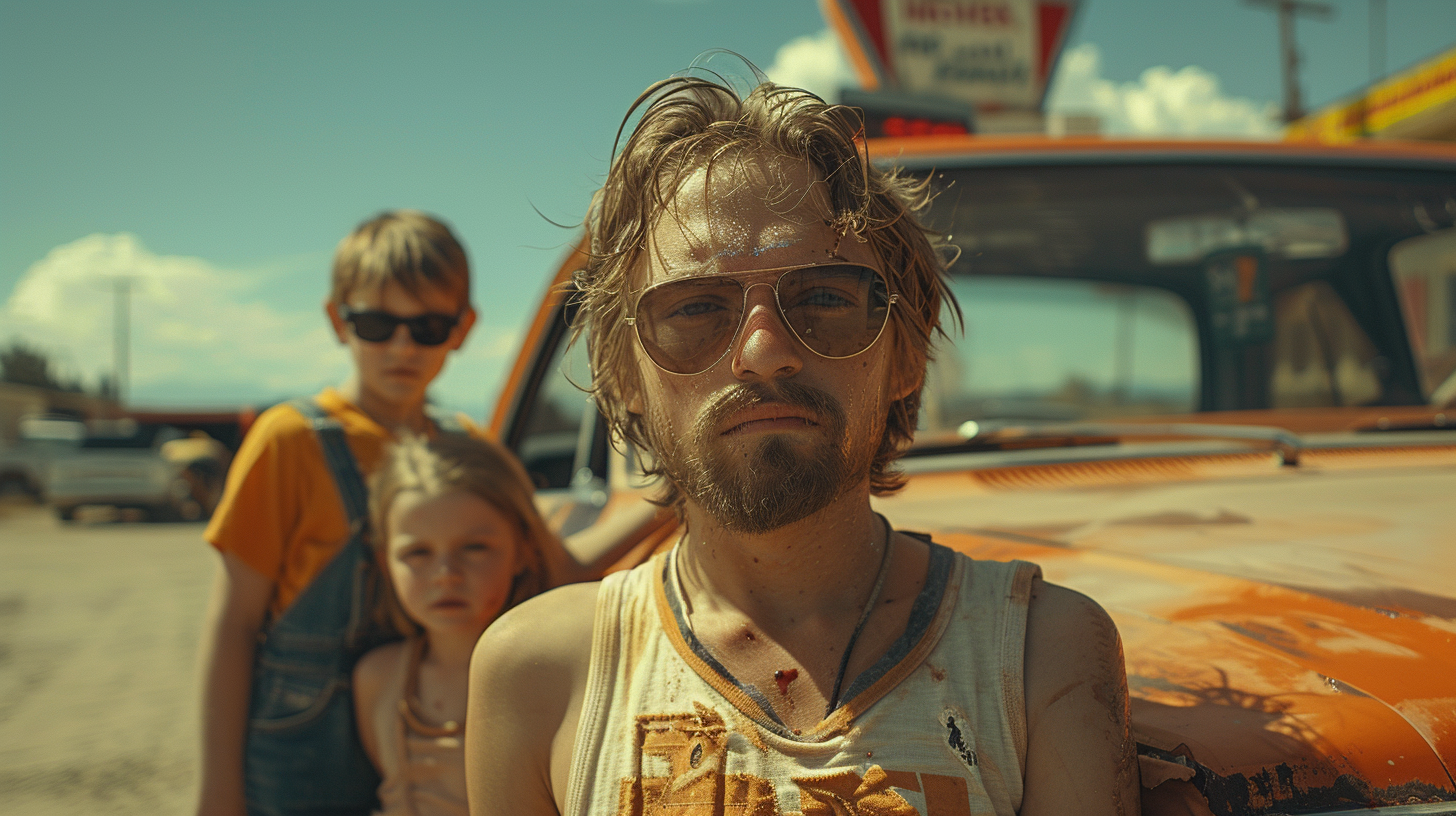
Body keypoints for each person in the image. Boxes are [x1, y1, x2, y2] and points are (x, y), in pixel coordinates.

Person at [466, 76, 1139, 816]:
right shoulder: (541, 674)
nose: (762, 350)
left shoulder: (1038, 654)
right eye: (694, 309)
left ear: (905, 355)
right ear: (625, 375)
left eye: (823, 296)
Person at [197, 211, 483, 816]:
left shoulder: (466, 450)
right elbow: (233, 626)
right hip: (300, 756)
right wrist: (218, 793)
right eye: (377, 323)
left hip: (422, 745)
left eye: (429, 326)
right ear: (337, 320)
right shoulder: (290, 441)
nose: (402, 347)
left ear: (464, 328)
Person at [353, 434, 563, 816]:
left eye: (474, 548)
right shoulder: (376, 678)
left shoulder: (551, 678)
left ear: (523, 550)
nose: (446, 575)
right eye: (418, 552)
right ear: (386, 563)